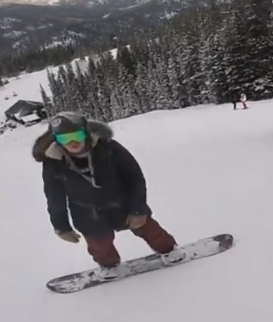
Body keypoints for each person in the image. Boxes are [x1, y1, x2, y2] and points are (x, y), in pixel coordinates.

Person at [33, 111, 184, 280]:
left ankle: (169, 250)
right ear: (56, 140)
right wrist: (61, 226)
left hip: (122, 202)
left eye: (77, 135)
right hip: (86, 212)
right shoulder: (53, 162)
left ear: (86, 132)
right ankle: (109, 266)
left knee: (149, 229)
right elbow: (54, 195)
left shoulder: (109, 148)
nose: (73, 142)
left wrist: (138, 208)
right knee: (99, 244)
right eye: (64, 139)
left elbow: (135, 178)